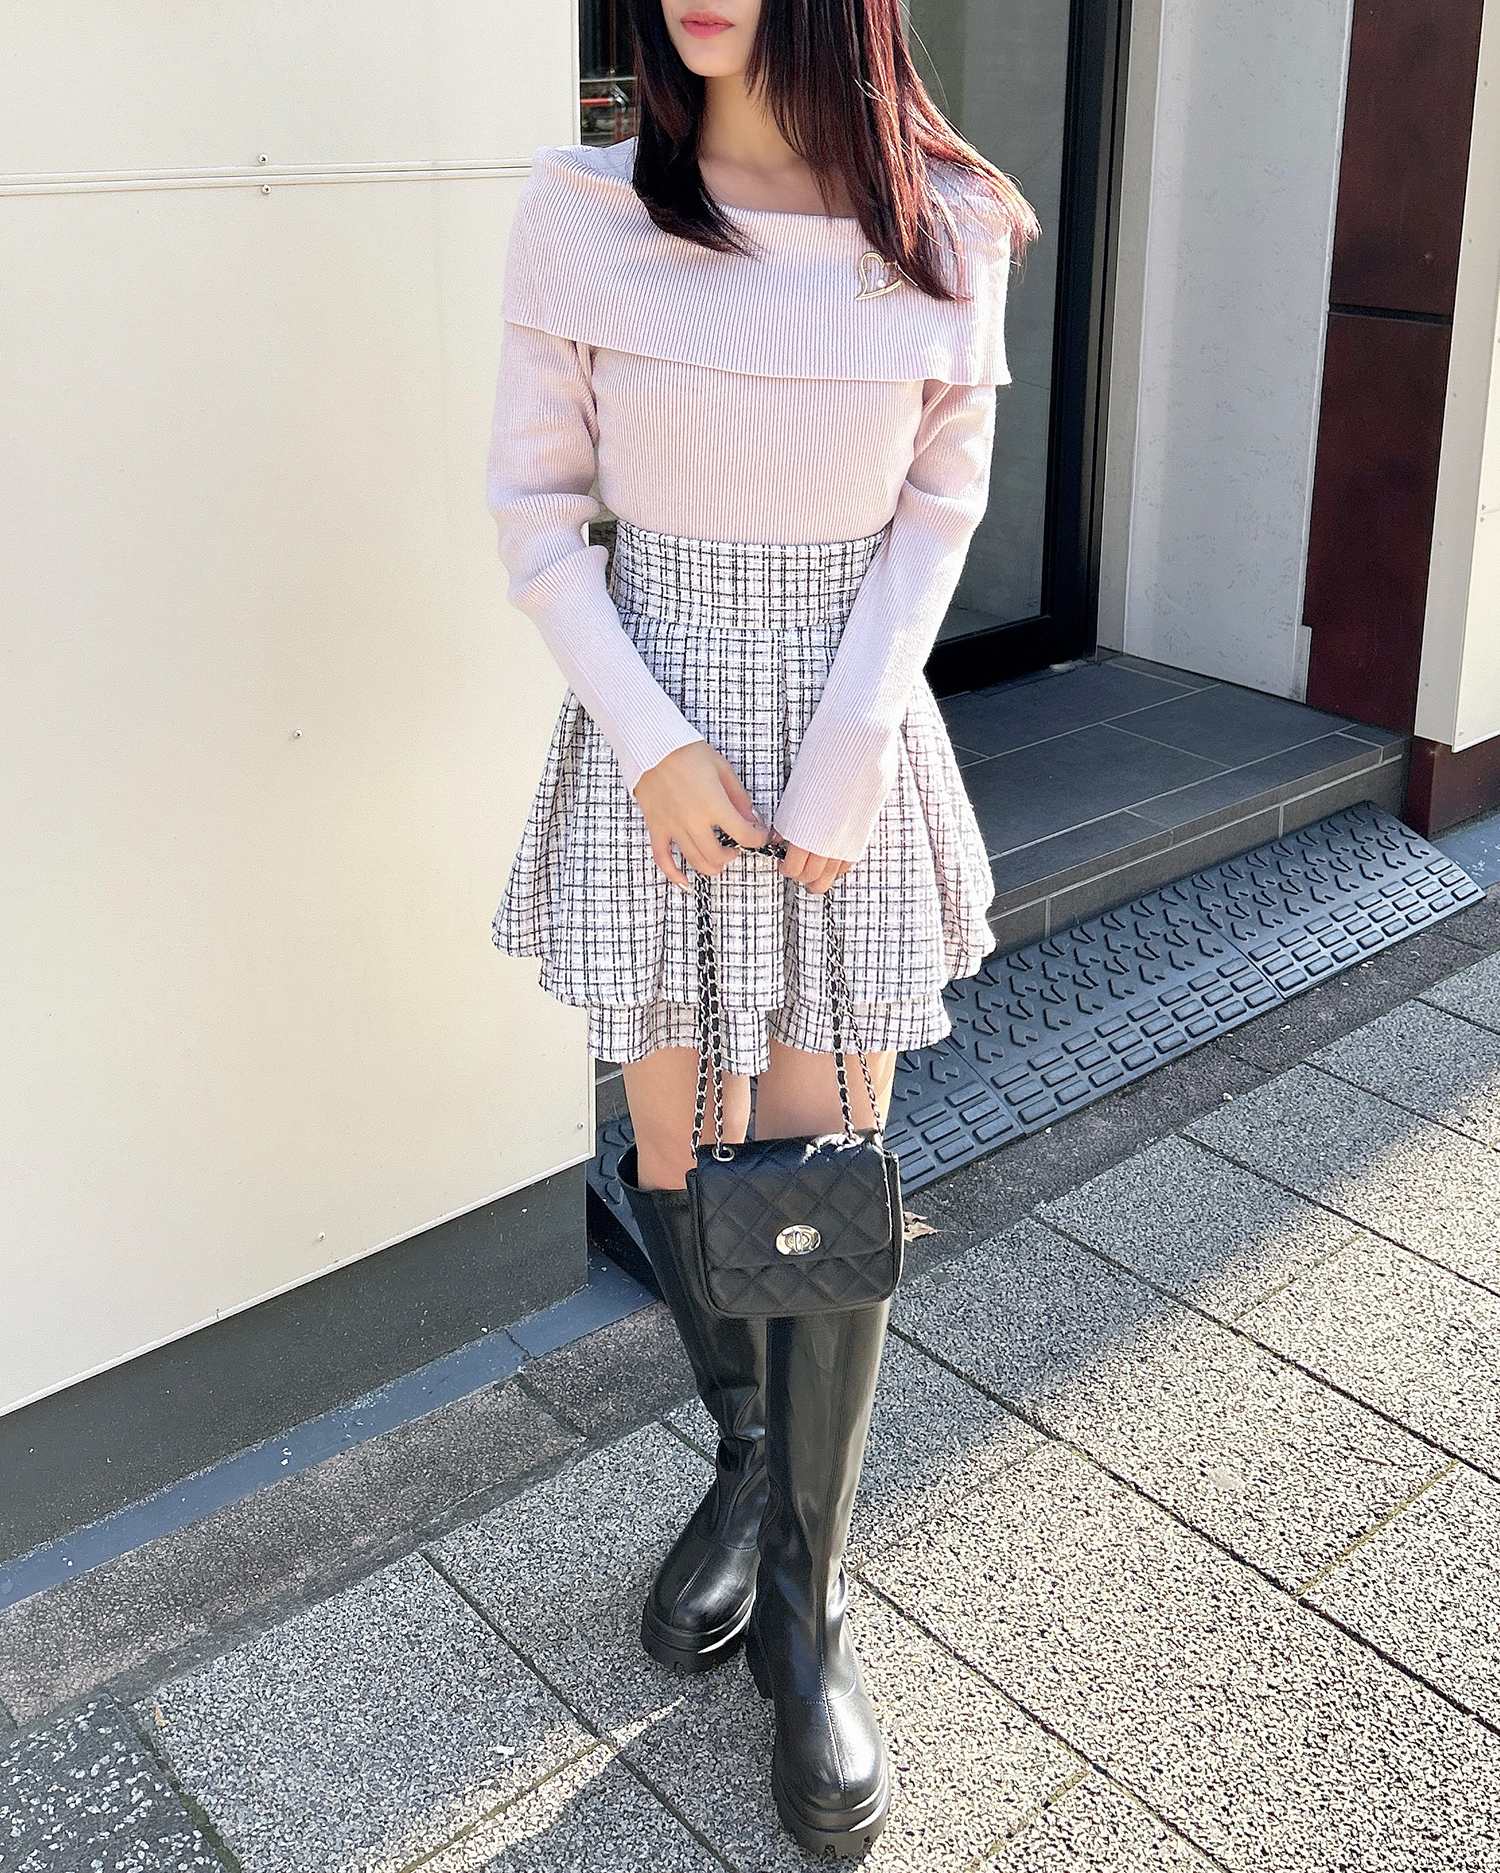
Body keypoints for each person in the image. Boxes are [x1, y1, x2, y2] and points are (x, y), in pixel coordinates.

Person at [485, 0, 1036, 1854]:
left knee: (813, 1158)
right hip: (658, 727)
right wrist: (650, 741)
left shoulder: (946, 225)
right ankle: (743, 1456)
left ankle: (809, 1604)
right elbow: (535, 511)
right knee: (677, 1147)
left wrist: (854, 746)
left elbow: (940, 506)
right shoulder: (583, 211)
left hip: (841, 731)